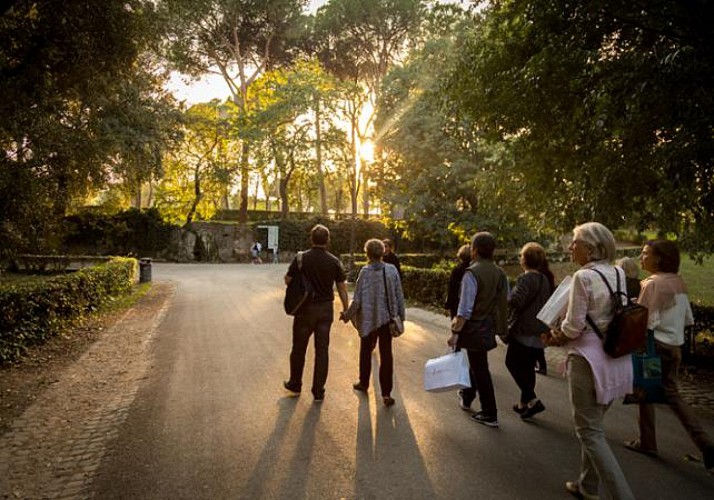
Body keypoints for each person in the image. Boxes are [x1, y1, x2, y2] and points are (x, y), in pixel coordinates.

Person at [544, 222, 635, 500]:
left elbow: (573, 327)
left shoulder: (582, 277)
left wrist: (553, 336)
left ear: (591, 247)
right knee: (594, 426)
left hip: (588, 360)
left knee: (589, 431)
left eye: (575, 242)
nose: (571, 247)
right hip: (616, 357)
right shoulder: (618, 271)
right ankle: (587, 485)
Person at [624, 239, 714, 469]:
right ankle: (699, 444)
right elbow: (687, 319)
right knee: (663, 393)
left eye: (645, 254)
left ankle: (653, 442)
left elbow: (643, 321)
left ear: (659, 259)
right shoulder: (678, 283)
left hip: (656, 347)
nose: (641, 257)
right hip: (675, 347)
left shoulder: (652, 284)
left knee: (650, 390)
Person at [447, 232, 508, 428]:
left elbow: (465, 309)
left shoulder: (472, 273)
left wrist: (455, 332)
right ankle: (468, 395)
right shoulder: (499, 272)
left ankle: (490, 412)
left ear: (474, 250)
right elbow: (504, 300)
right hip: (488, 324)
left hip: (474, 326)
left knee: (480, 368)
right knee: (477, 364)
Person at [283, 224, 349, 402]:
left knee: (298, 349)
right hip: (325, 311)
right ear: (327, 240)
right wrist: (346, 309)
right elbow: (342, 288)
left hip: (305, 310)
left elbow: (288, 280)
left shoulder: (300, 258)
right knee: (322, 351)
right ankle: (318, 391)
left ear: (311, 239)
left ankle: (295, 383)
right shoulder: (334, 261)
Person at [341, 239, 406, 407]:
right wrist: (401, 317)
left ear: (367, 254)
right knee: (386, 354)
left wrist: (347, 315)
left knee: (365, 351)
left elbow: (358, 300)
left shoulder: (365, 272)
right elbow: (399, 295)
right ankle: (386, 393)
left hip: (368, 320)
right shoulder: (391, 271)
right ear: (382, 252)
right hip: (387, 319)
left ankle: (364, 383)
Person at [505, 242, 554, 420]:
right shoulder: (544, 279)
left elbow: (517, 301)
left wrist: (506, 296)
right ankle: (523, 404)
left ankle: (532, 399)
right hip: (540, 328)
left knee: (511, 362)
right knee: (528, 367)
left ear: (524, 260)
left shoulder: (525, 279)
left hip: (524, 329)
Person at [444, 244, 472, 319]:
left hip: (457, 304)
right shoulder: (474, 269)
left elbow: (451, 289)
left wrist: (447, 306)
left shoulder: (457, 270)